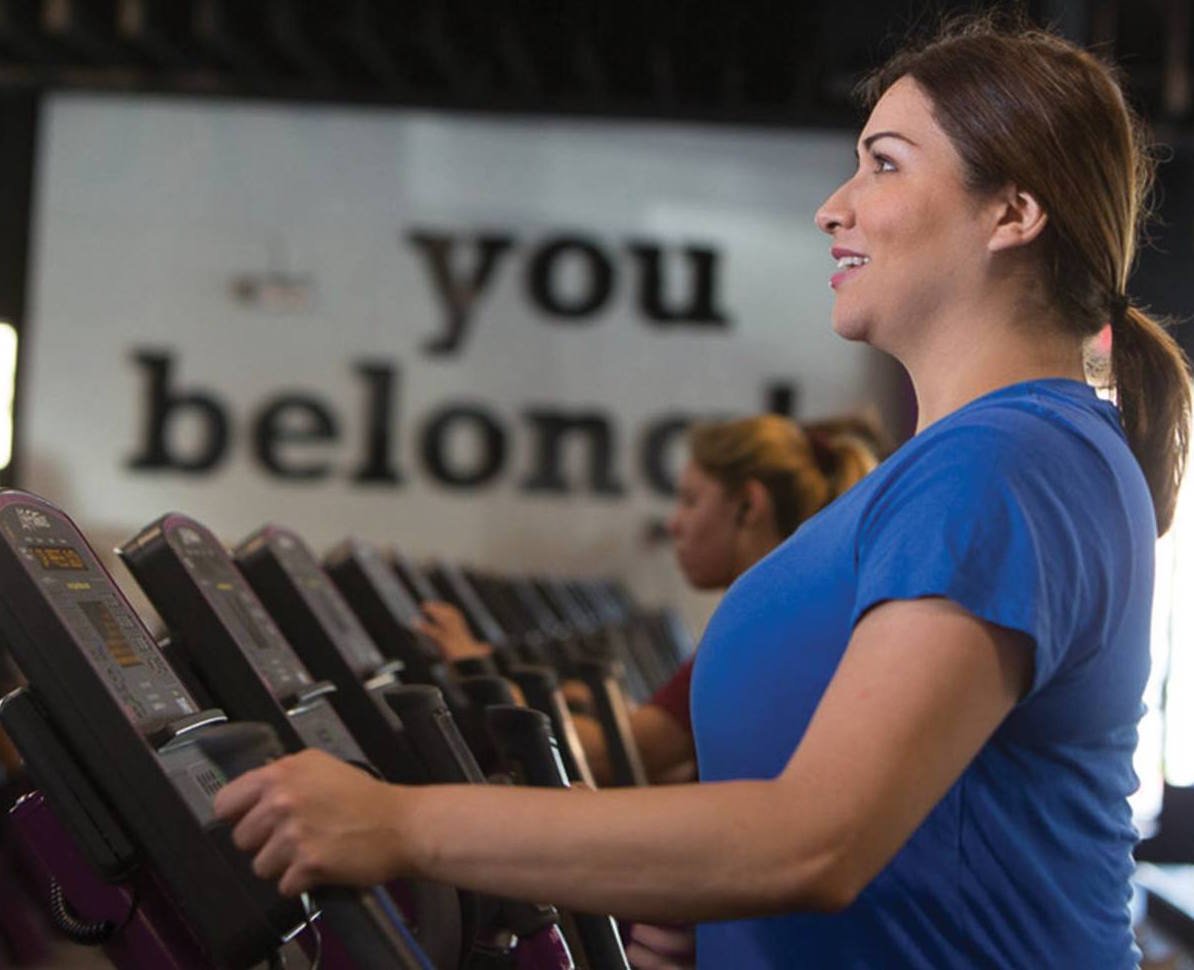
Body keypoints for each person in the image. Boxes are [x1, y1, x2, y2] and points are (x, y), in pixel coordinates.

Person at [213, 17, 1191, 968]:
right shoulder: (982, 461)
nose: (833, 206)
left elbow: (815, 840)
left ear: (1012, 213)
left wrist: (402, 823)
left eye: (884, 162)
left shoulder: (1003, 464)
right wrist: (717, 918)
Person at [418, 413, 882, 786]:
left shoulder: (762, 626)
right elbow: (673, 759)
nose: (674, 524)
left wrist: (472, 666)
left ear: (747, 507)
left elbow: (609, 759)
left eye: (690, 501)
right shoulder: (789, 608)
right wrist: (586, 704)